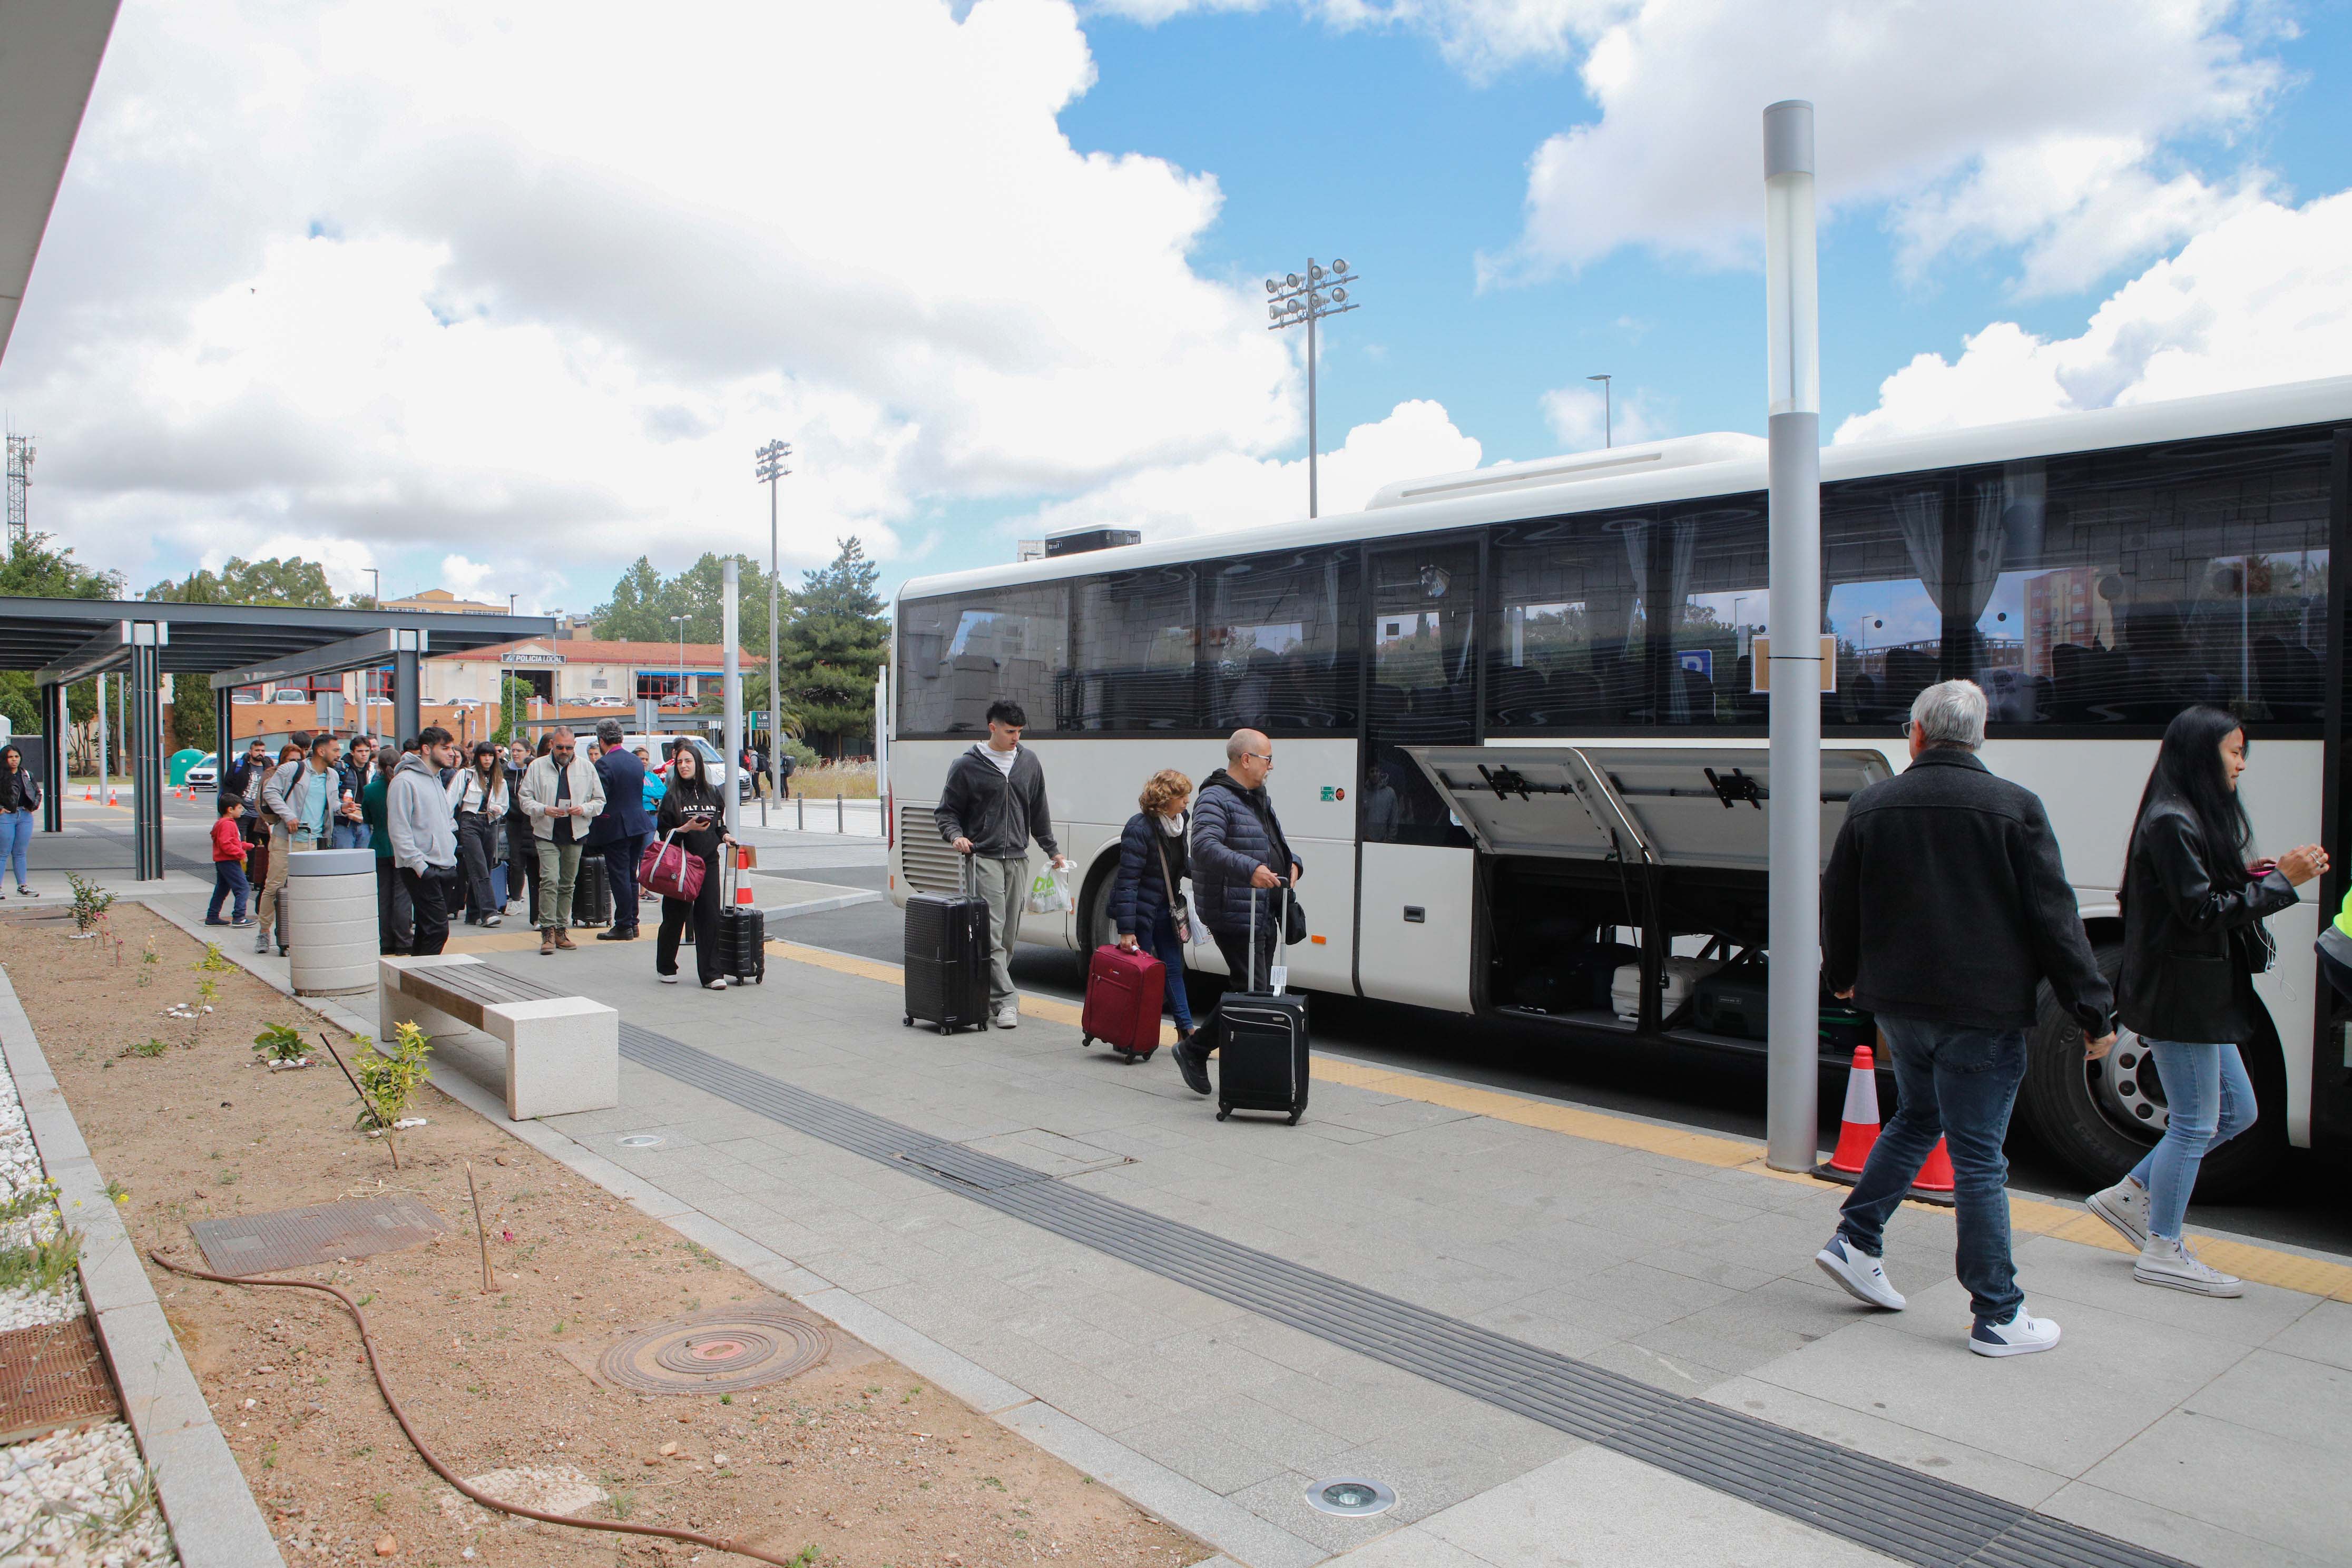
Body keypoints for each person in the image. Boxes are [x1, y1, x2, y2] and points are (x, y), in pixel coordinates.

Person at [1814, 680, 2114, 1359]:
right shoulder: (2015, 808)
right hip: (1981, 1011)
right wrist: (2093, 1012)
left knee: (1917, 1118)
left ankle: (1857, 1240)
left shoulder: (1872, 805)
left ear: (1916, 733)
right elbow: (2056, 922)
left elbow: (1840, 902)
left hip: (1899, 1007)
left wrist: (1843, 978)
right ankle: (1997, 1313)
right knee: (1979, 1157)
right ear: (1979, 738)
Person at [2085, 706, 2325, 1296]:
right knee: (2196, 1122)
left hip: (2197, 994)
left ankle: (2130, 1196)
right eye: (2234, 751)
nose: (2242, 764)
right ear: (2201, 754)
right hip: (2181, 996)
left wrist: (2252, 878)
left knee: (2237, 1114)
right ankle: (2163, 1248)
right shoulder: (2171, 819)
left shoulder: (2183, 816)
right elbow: (2199, 914)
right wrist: (2281, 884)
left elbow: (2196, 898)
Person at [1175, 729, 1303, 1095]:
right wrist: (1249, 869)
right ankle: (1196, 1050)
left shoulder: (1255, 797)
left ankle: (1211, 1054)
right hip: (1234, 910)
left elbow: (1272, 844)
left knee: (1252, 990)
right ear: (1245, 759)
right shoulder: (1215, 798)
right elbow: (1203, 847)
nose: (1271, 766)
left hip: (1262, 909)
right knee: (1253, 990)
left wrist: (1293, 863)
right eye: (1267, 758)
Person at [933, 699, 1067, 1030]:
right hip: (984, 857)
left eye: (1020, 732)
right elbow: (946, 812)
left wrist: (1052, 850)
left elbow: (1039, 810)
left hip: (1017, 858)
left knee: (1008, 935)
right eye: (1010, 731)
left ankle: (987, 994)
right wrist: (956, 837)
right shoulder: (967, 765)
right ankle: (1007, 1001)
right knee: (990, 933)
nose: (1016, 738)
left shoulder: (1029, 762)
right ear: (992, 727)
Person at [1110, 768, 1198, 1046]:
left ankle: (1186, 1031)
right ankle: (1133, 1032)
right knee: (1141, 976)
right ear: (1165, 799)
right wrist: (1126, 930)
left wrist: (1215, 873)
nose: (1186, 802)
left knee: (1172, 969)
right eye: (1182, 796)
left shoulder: (1179, 823)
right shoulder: (1139, 829)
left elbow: (1182, 865)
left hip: (1167, 911)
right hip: (1142, 914)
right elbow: (1127, 883)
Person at [654, 745, 736, 989]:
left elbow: (718, 825)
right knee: (675, 917)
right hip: (681, 864)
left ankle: (712, 974)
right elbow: (664, 833)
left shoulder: (713, 793)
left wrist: (726, 836)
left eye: (688, 761)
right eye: (680, 762)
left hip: (709, 862)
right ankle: (666, 965)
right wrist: (685, 829)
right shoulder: (672, 795)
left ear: (698, 764)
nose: (684, 766)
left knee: (709, 916)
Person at [519, 727, 605, 956]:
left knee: (568, 883)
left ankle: (561, 928)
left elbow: (600, 800)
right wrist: (544, 809)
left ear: (574, 746)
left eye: (568, 747)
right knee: (550, 879)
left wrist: (583, 808)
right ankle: (547, 930)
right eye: (560, 747)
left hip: (575, 832)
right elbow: (524, 799)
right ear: (552, 746)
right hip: (546, 832)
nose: (564, 751)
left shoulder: (587, 768)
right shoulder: (537, 767)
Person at [257, 734, 342, 954]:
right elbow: (270, 792)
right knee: (274, 886)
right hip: (286, 839)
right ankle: (264, 932)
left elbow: (331, 806)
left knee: (304, 891)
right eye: (335, 750)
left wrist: (343, 809)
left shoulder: (332, 775)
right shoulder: (293, 770)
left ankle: (293, 936)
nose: (338, 755)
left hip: (313, 841)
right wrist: (288, 815)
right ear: (321, 752)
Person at [386, 726, 461, 957]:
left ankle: (416, 979)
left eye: (452, 748)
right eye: (445, 748)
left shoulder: (436, 779)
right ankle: (426, 979)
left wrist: (451, 851)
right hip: (421, 866)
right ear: (427, 749)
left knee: (428, 930)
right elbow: (399, 829)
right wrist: (420, 867)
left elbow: (446, 820)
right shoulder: (404, 782)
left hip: (443, 864)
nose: (452, 753)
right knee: (438, 930)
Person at [585, 718, 653, 942]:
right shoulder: (635, 761)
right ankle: (633, 923)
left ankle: (624, 924)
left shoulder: (604, 764)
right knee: (632, 876)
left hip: (616, 827)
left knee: (620, 877)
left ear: (601, 740)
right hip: (638, 824)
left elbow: (600, 796)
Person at [447, 741, 509, 928]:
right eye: (484, 755)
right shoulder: (466, 775)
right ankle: (489, 912)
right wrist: (449, 825)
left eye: (490, 756)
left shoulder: (500, 780)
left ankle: (473, 912)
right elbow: (449, 800)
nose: (487, 759)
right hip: (469, 822)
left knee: (484, 867)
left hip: (490, 822)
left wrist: (499, 810)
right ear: (478, 757)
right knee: (480, 866)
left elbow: (505, 805)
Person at [360, 743, 410, 954]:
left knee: (383, 896)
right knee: (403, 895)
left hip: (379, 845)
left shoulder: (370, 790)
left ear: (378, 766)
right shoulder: (404, 786)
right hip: (402, 846)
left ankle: (386, 941)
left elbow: (367, 819)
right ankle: (404, 941)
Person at [0, 743, 42, 898]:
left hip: (24, 815)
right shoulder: (1, 775)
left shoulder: (27, 774)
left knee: (20, 853)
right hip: (6, 816)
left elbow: (37, 793)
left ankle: (23, 886)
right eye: (10, 757)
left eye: (16, 757)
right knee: (3, 853)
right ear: (4, 759)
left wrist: (33, 806)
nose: (14, 760)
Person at [204, 796, 253, 927]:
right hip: (229, 861)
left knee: (222, 889)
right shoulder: (227, 824)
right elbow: (226, 844)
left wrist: (244, 845)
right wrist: (241, 853)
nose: (242, 810)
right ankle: (239, 917)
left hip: (223, 861)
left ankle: (212, 916)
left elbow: (229, 842)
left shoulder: (222, 823)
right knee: (243, 887)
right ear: (230, 809)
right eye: (240, 808)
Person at [502, 739, 536, 917]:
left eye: (519, 751)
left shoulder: (534, 770)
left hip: (532, 821)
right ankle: (516, 899)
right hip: (514, 821)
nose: (515, 754)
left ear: (529, 752)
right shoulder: (505, 772)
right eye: (513, 750)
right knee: (516, 861)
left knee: (534, 861)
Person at [331, 737, 375, 849]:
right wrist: (341, 808)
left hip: (365, 822)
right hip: (344, 822)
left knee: (363, 862)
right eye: (360, 751)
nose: (364, 754)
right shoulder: (341, 768)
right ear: (352, 752)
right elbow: (332, 794)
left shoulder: (373, 770)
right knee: (344, 861)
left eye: (367, 751)